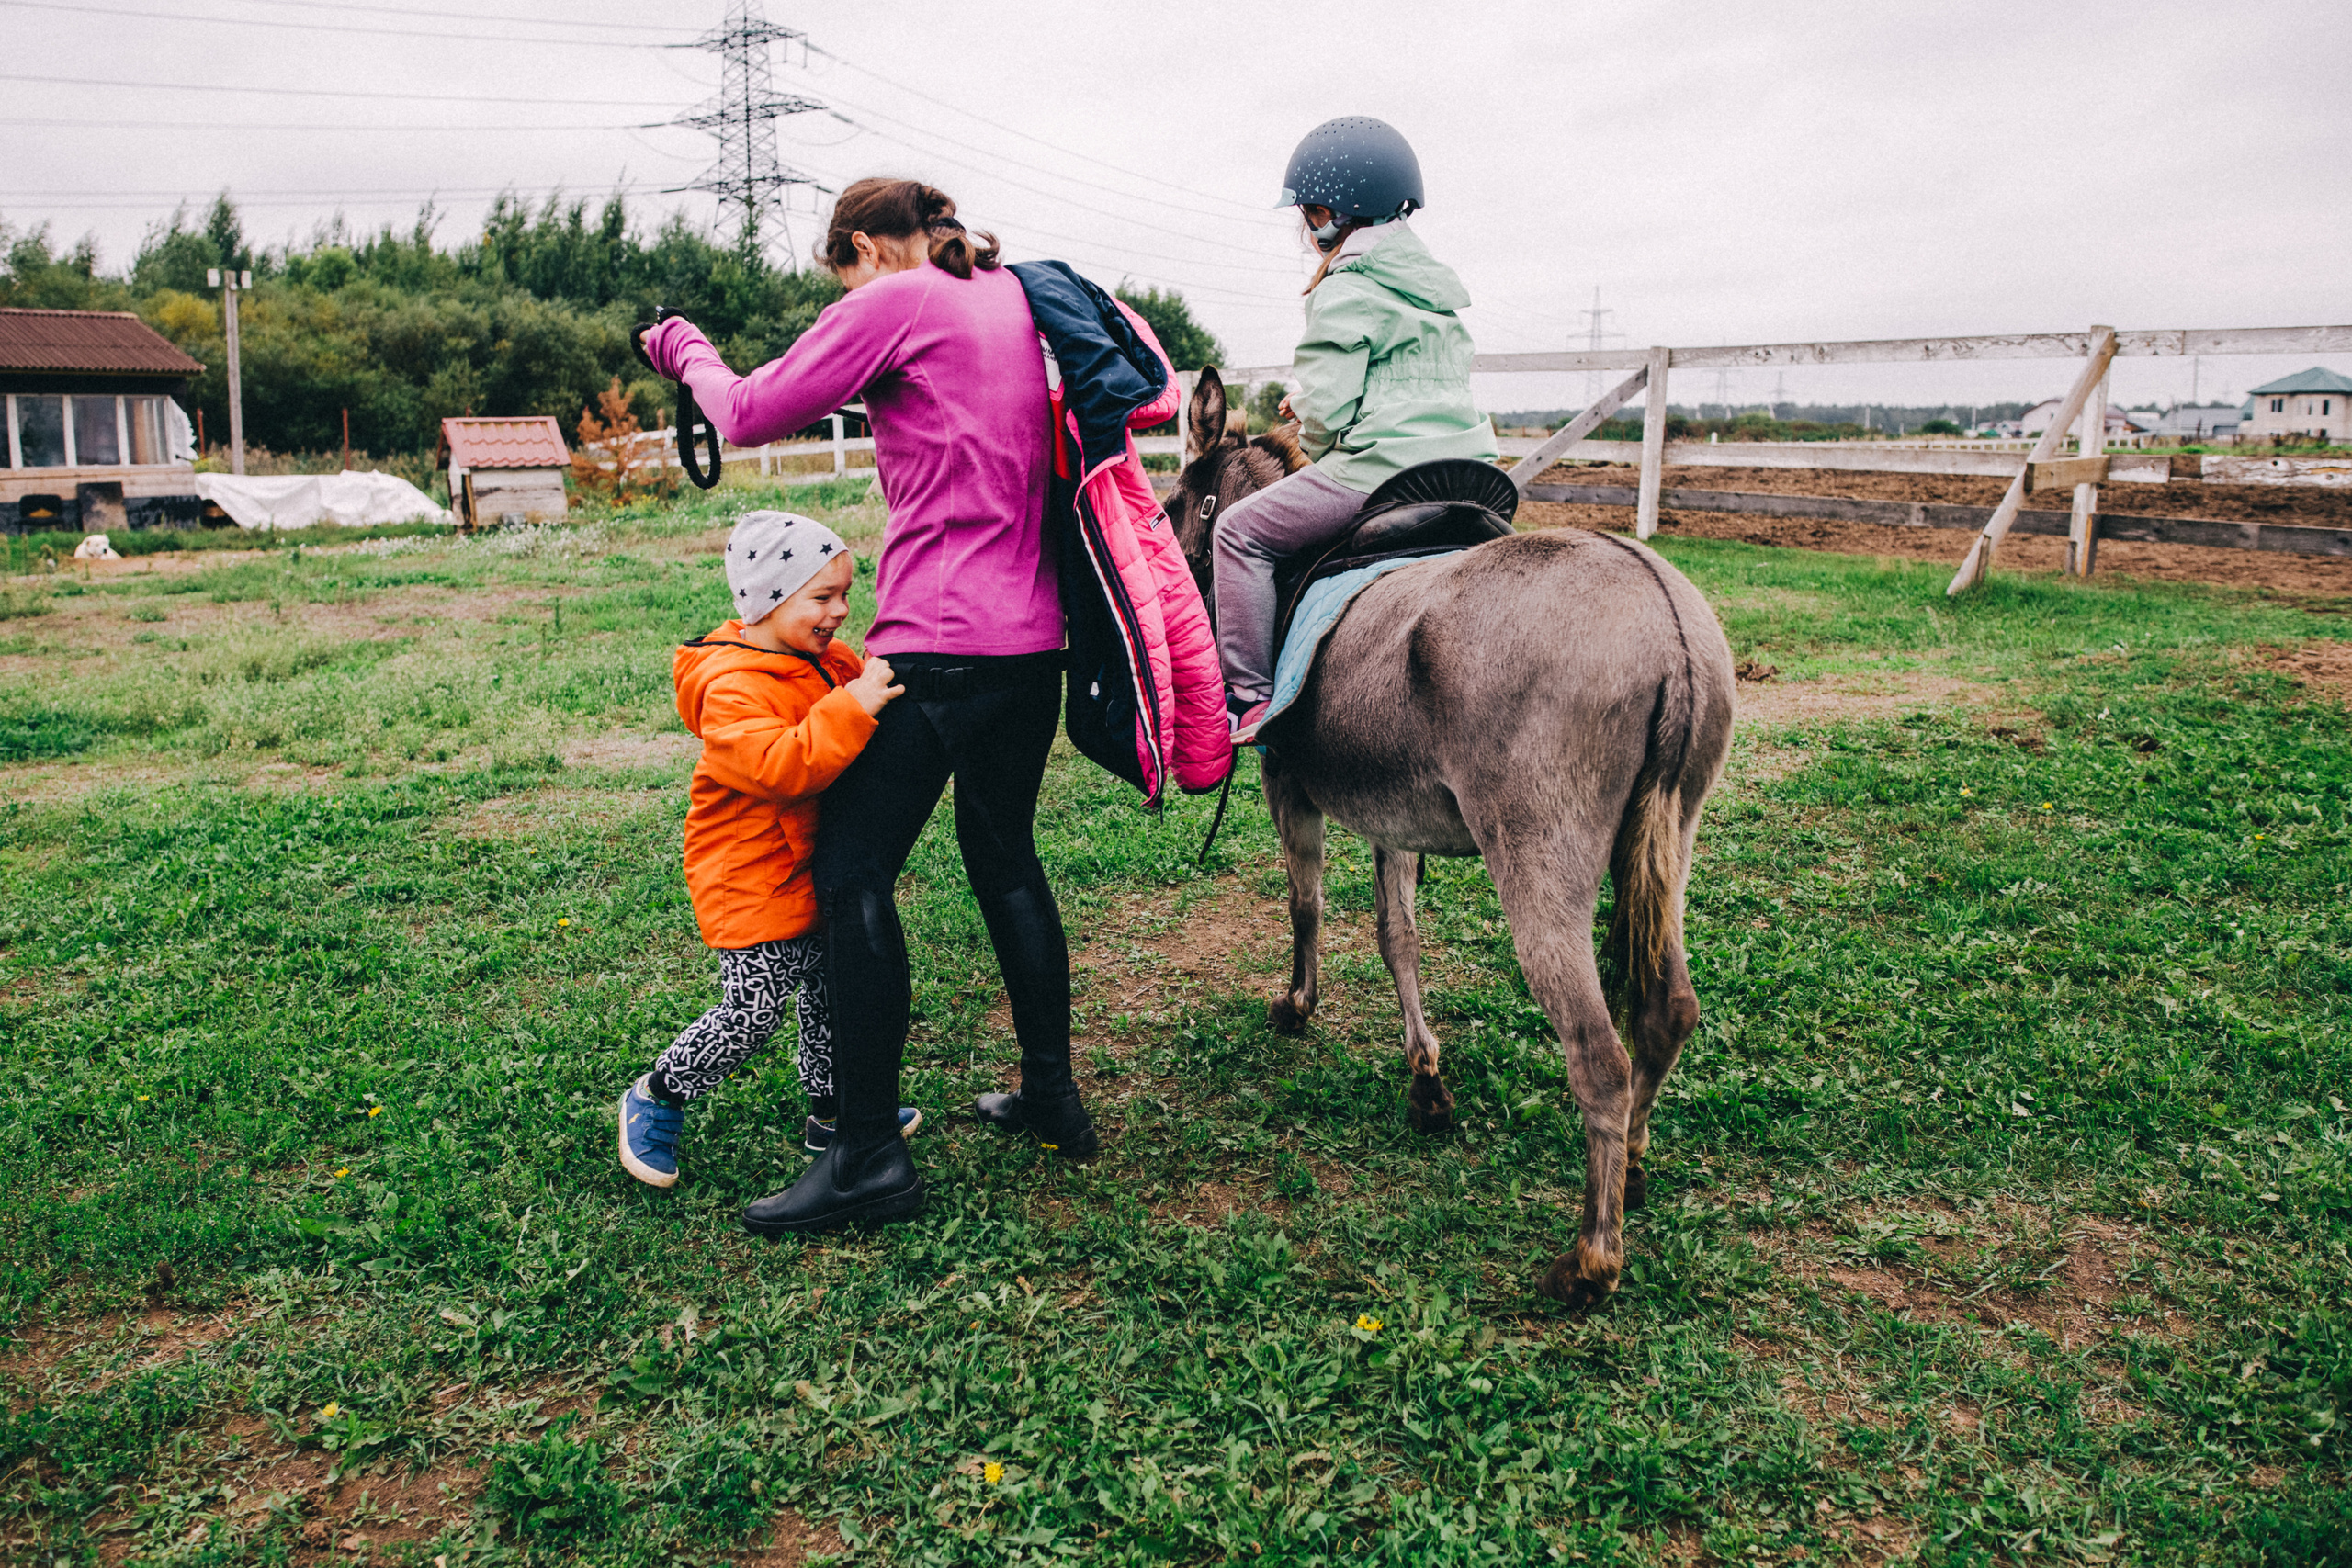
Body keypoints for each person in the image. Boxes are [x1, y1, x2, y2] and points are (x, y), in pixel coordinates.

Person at [636, 178, 1095, 1238]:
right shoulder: (1010, 301)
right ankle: (1049, 1094)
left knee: (849, 876)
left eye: (836, 274)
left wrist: (683, 355)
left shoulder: (897, 296)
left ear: (858, 249)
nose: (842, 294)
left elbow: (747, 411)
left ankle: (866, 1157)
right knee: (1006, 860)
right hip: (1032, 646)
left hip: (933, 650)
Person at [616, 511, 913, 1191]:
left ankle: (831, 1113)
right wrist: (857, 705)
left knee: (827, 994)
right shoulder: (731, 687)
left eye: (844, 593)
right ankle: (658, 1094)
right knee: (752, 1011)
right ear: (769, 599)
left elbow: (862, 680)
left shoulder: (819, 657)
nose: (842, 610)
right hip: (746, 877)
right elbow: (784, 765)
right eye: (823, 597)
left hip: (802, 868)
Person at [1214, 117, 1500, 743]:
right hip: (1475, 474)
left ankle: (1250, 702)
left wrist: (1311, 423)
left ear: (1335, 212)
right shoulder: (1438, 292)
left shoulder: (1345, 287)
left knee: (1238, 533)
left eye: (1310, 213)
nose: (1307, 227)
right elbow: (1414, 383)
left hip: (1383, 474)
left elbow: (1329, 415)